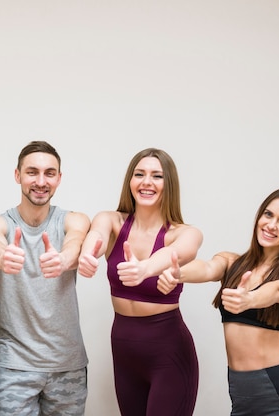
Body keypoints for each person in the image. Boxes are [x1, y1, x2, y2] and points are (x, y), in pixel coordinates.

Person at [158, 186, 279, 415]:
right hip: (241, 395)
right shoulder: (232, 263)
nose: (271, 225)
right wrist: (176, 273)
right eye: (268, 214)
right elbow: (207, 268)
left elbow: (278, 291)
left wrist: (250, 298)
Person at [78, 148, 202, 416]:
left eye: (157, 176)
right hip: (124, 354)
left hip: (169, 355)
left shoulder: (185, 233)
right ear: (129, 181)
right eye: (140, 174)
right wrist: (87, 255)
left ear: (169, 184)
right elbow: (96, 235)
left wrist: (145, 268)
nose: (147, 182)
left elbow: (176, 253)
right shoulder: (111, 220)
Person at [0, 140, 91, 416]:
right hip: (14, 365)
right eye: (32, 172)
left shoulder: (73, 220)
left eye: (49, 173)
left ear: (59, 179)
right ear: (17, 175)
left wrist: (64, 259)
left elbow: (76, 239)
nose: (41, 181)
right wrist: (2, 256)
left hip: (68, 364)